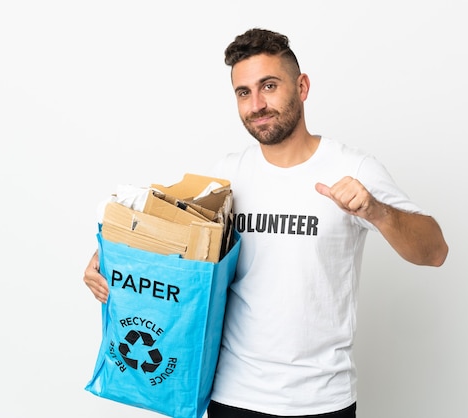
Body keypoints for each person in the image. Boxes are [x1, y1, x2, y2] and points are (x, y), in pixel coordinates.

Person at [83, 28, 448, 418]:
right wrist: (112, 259)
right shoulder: (227, 175)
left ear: (302, 86)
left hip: (323, 399)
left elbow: (435, 252)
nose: (256, 104)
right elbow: (178, 246)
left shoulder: (353, 168)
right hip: (233, 396)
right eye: (244, 92)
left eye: (269, 86)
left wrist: (378, 211)